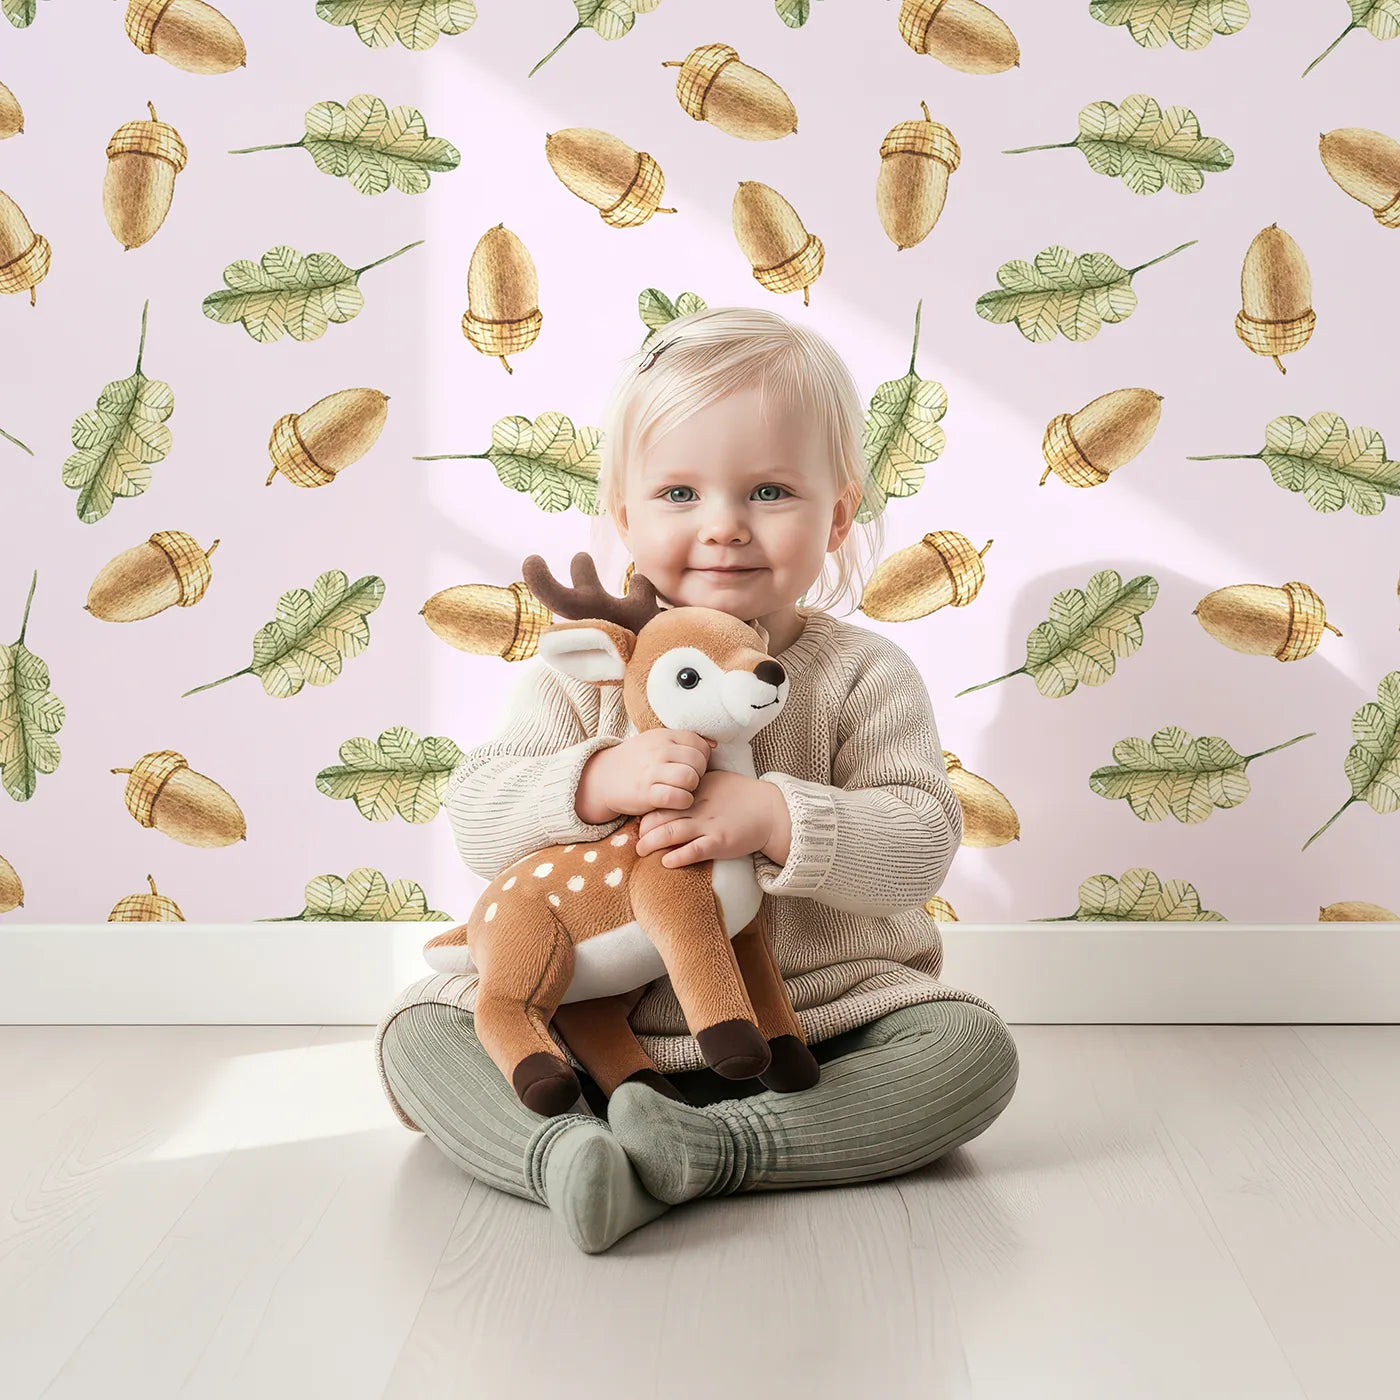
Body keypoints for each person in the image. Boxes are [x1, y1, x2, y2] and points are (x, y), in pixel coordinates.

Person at [376, 307, 1019, 1254]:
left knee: (970, 1055)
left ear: (838, 513)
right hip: (592, 1020)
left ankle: (710, 1149)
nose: (724, 528)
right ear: (625, 516)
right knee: (419, 1033)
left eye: (768, 490)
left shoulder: (863, 676)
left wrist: (775, 817)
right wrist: (595, 781)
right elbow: (478, 814)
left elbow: (920, 845)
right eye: (679, 492)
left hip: (818, 1022)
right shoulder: (585, 670)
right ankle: (564, 1153)